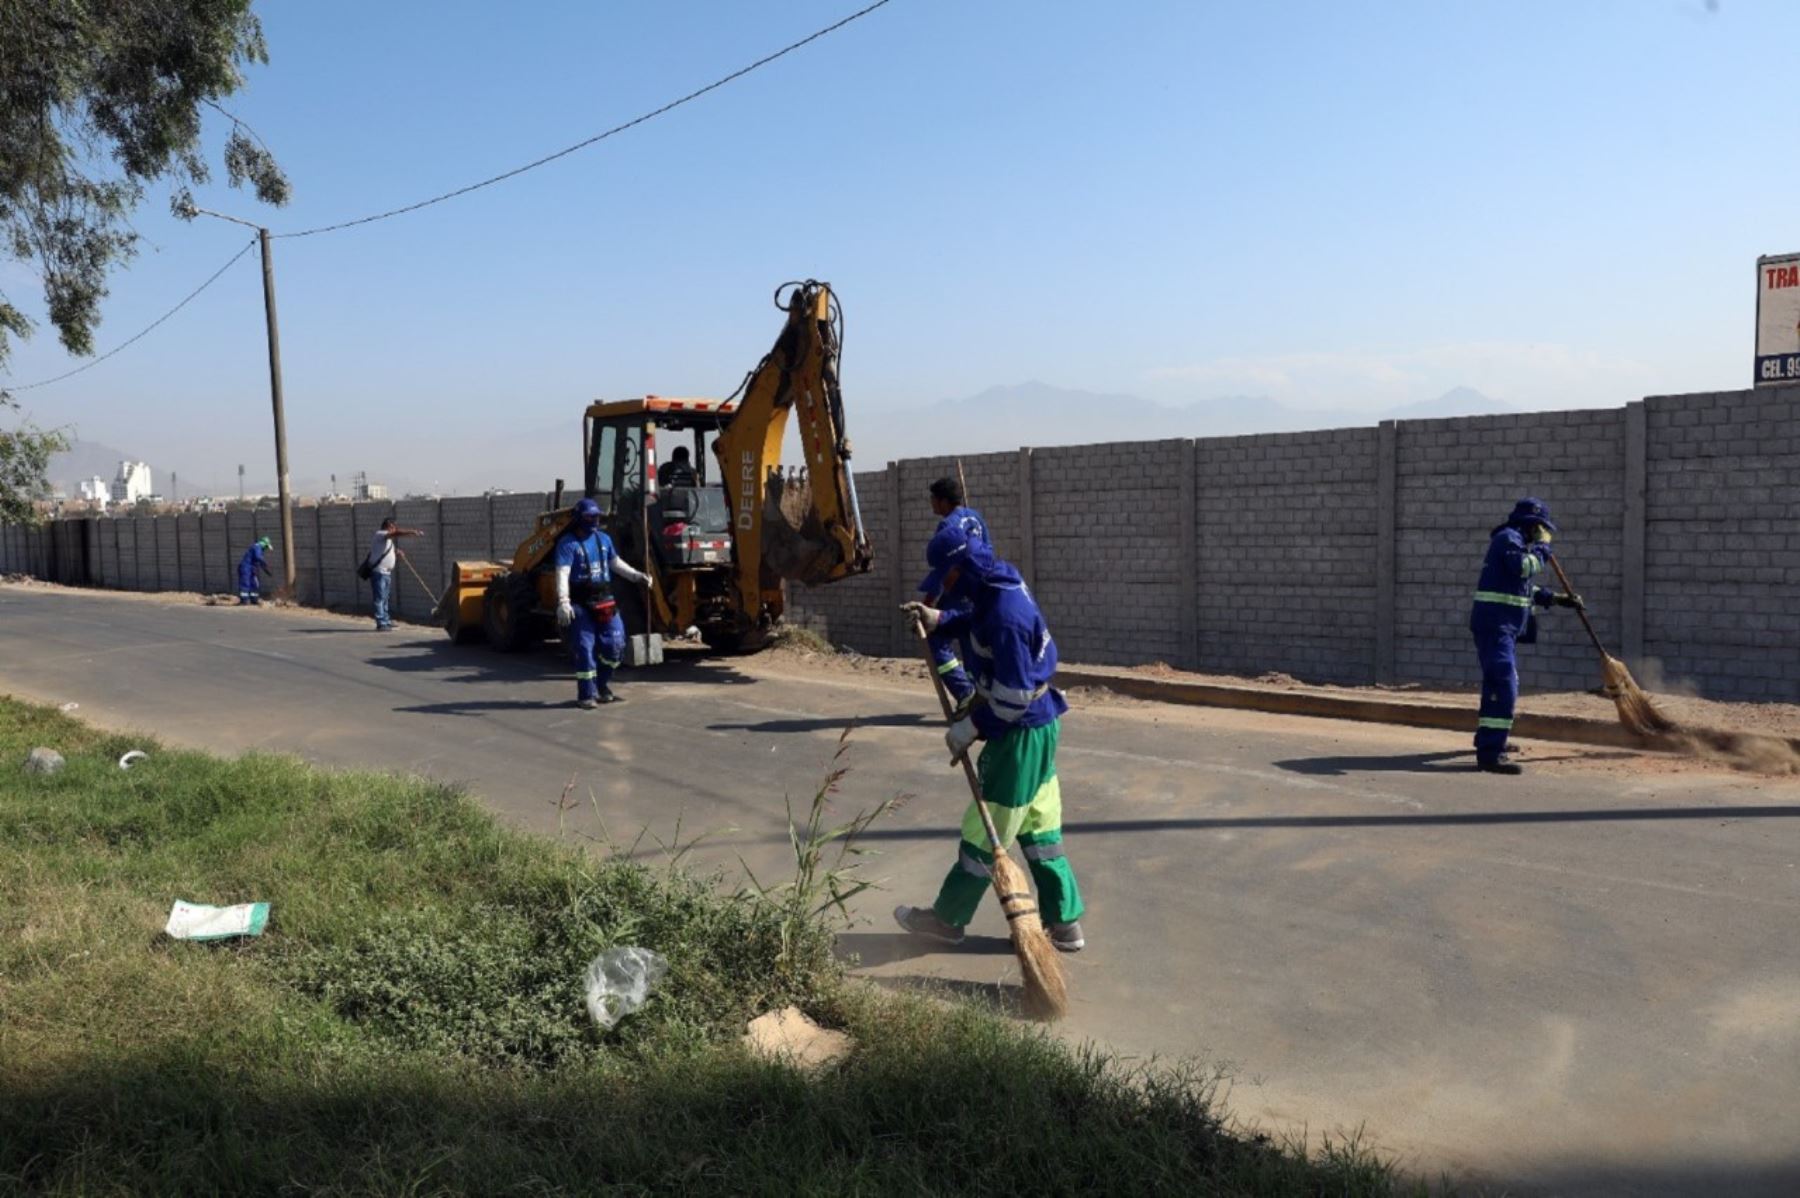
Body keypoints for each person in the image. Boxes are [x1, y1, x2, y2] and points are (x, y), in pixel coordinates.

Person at [894, 529, 1086, 953]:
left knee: (983, 835)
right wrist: (940, 620)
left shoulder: (1007, 615)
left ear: (965, 569)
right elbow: (977, 621)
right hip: (1040, 727)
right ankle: (1064, 922)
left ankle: (947, 921)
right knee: (1040, 829)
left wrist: (973, 726)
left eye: (947, 576)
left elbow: (1014, 697)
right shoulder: (999, 583)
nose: (943, 585)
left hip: (1018, 736)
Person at [1470, 497, 1582, 775]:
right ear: (1531, 525)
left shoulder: (1514, 542)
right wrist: (1544, 548)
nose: (1542, 534)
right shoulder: (1508, 539)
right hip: (1496, 626)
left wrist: (1556, 599)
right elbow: (1524, 568)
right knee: (1503, 685)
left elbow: (1522, 589)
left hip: (1502, 628)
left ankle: (1491, 740)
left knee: (1501, 685)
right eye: (1541, 528)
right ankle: (1490, 754)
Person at [555, 497, 651, 708]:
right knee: (585, 649)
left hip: (605, 601)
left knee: (615, 645)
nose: (595, 520)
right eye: (590, 516)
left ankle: (602, 683)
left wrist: (637, 576)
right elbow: (562, 573)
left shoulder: (604, 539)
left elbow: (615, 563)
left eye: (597, 516)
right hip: (581, 605)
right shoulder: (567, 544)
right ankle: (586, 695)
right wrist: (563, 602)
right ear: (580, 518)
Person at [917, 476, 991, 714]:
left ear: (943, 501)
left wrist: (925, 607)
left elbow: (942, 572)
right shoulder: (975, 517)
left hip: (959, 592)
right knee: (971, 645)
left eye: (933, 499)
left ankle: (964, 692)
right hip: (980, 590)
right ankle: (978, 697)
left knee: (936, 639)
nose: (931, 503)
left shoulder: (948, 526)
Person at [366, 517, 426, 631]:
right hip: (379, 572)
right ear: (389, 526)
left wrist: (395, 552)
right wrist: (412, 532)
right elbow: (396, 533)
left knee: (385, 598)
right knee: (379, 598)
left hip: (386, 573)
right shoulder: (380, 534)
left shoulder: (387, 539)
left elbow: (382, 551)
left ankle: (386, 620)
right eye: (394, 526)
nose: (395, 528)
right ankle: (381, 622)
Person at [237, 536, 272, 605]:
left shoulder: (259, 549)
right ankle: (244, 600)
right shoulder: (257, 547)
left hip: (252, 568)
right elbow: (258, 558)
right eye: (266, 547)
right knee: (245, 583)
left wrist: (266, 570)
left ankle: (254, 599)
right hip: (246, 567)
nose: (266, 549)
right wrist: (265, 564)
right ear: (264, 544)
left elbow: (259, 561)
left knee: (254, 584)